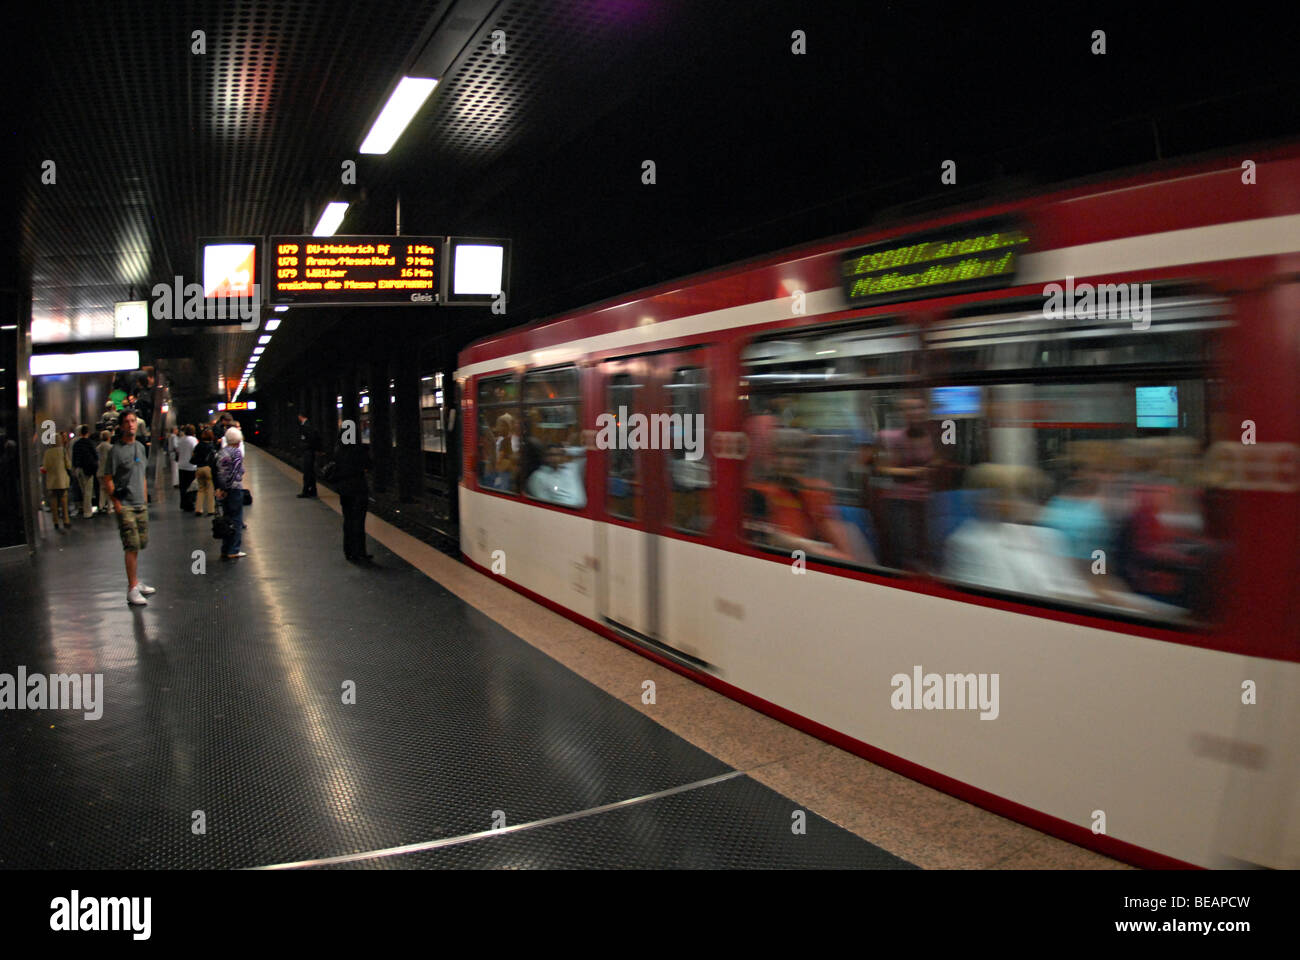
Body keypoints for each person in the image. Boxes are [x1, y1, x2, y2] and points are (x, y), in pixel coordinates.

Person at [101, 412, 156, 605]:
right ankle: (132, 588)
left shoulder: (140, 447)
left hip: (140, 504)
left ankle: (136, 581)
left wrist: (145, 498)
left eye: (133, 421)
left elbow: (141, 475)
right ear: (121, 426)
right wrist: (116, 503)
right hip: (126, 506)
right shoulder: (115, 451)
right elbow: (107, 477)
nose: (131, 425)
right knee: (131, 546)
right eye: (127, 422)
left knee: (140, 543)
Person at [332, 426, 373, 561]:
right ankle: (360, 552)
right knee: (359, 522)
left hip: (344, 490)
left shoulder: (338, 450)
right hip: (358, 489)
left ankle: (348, 551)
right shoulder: (359, 450)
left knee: (348, 520)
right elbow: (368, 465)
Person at [215, 427, 246, 559]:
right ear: (238, 440)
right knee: (236, 519)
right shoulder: (236, 453)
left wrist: (221, 489)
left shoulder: (221, 452)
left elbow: (218, 472)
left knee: (226, 519)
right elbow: (238, 472)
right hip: (234, 490)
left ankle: (225, 548)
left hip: (223, 490)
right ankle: (234, 549)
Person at [41, 431, 73, 530]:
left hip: (52, 482)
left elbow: (45, 468)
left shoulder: (47, 453)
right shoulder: (62, 450)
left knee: (53, 502)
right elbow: (68, 465)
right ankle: (66, 521)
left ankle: (55, 522)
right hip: (62, 480)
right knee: (64, 501)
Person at [71, 425, 100, 518]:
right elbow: (95, 456)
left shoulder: (76, 443)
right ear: (87, 433)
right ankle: (88, 512)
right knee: (88, 491)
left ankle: (84, 508)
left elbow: (74, 457)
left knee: (83, 490)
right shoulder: (89, 443)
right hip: (87, 470)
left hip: (78, 469)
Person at [192, 428, 217, 516]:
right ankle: (211, 510)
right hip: (208, 468)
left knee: (201, 489)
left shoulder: (198, 445)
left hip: (199, 468)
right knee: (210, 489)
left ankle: (198, 509)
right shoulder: (211, 446)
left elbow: (193, 455)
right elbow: (214, 458)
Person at [297, 413, 321, 498]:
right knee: (310, 472)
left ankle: (306, 491)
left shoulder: (307, 426)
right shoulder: (309, 425)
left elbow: (310, 438)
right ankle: (312, 490)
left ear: (300, 416)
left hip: (308, 452)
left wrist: (305, 446)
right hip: (309, 451)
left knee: (307, 472)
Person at [176, 425, 198, 512]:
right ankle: (189, 504)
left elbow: (177, 450)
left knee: (183, 486)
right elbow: (195, 451)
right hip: (191, 466)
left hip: (181, 465)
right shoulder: (193, 440)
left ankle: (183, 503)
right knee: (191, 487)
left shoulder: (181, 440)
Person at [94, 429, 113, 515]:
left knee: (102, 489)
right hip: (108, 472)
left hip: (99, 471)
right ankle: (110, 507)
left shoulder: (98, 448)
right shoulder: (110, 447)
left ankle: (101, 506)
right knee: (109, 489)